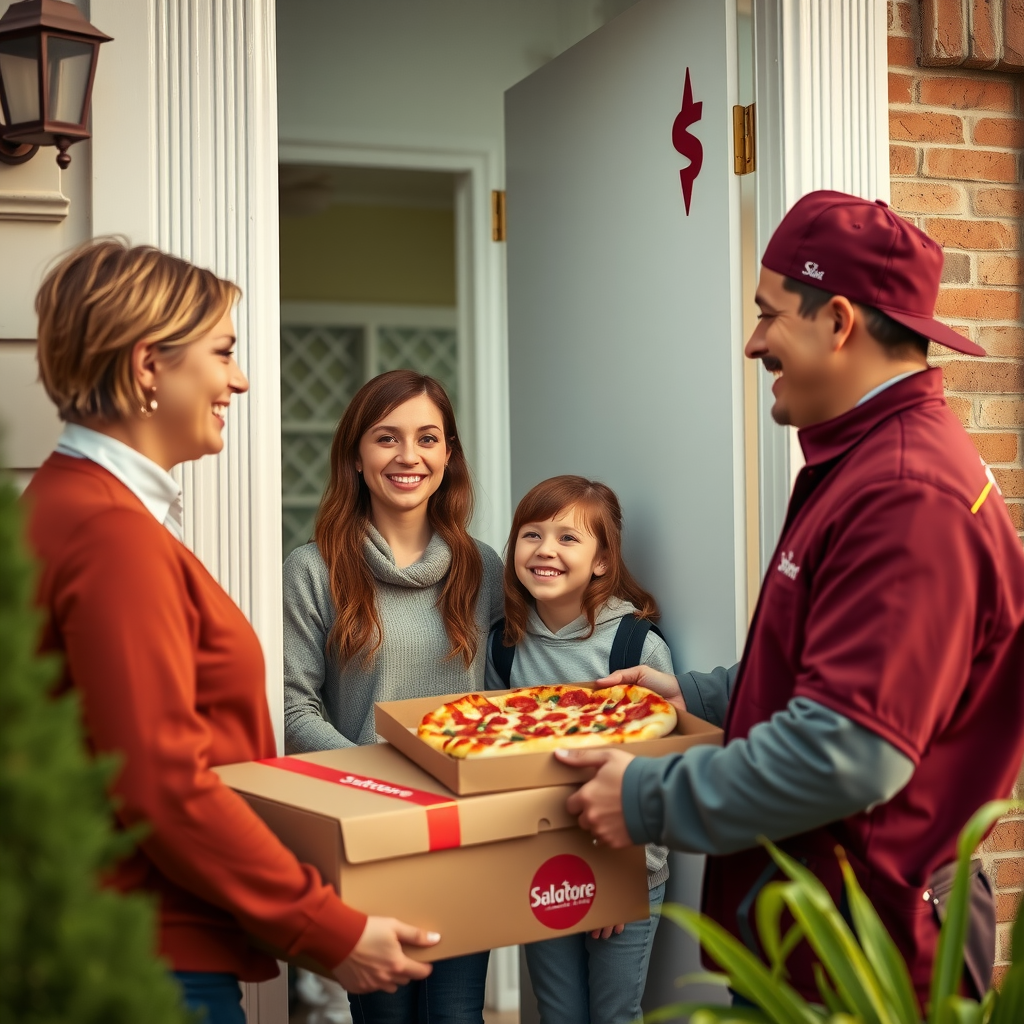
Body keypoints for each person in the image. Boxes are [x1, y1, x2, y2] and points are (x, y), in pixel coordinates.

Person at [558, 191, 1024, 1007]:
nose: (752, 342)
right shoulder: (869, 462)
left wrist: (640, 799)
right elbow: (835, 668)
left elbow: (846, 752)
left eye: (769, 315)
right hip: (825, 937)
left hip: (865, 957)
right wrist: (699, 697)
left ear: (838, 320)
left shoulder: (906, 494)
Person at [23, 240, 438, 1024]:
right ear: (150, 365)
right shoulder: (110, 534)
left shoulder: (66, 505)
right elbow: (162, 783)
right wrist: (328, 929)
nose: (240, 379)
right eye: (224, 352)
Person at [282, 369, 504, 1024]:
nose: (409, 457)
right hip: (369, 839)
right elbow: (296, 714)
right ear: (356, 454)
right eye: (387, 438)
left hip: (467, 839)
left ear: (448, 455)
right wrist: (391, 792)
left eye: (427, 438)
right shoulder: (314, 568)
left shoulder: (484, 568)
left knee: (457, 1018)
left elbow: (500, 703)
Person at [485, 475, 672, 1024]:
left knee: (615, 1014)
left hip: (628, 865)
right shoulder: (504, 645)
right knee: (558, 1013)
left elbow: (660, 771)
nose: (545, 550)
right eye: (531, 534)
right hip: (542, 866)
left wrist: (614, 876)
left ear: (601, 560)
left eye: (568, 538)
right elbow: (507, 768)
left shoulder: (634, 646)